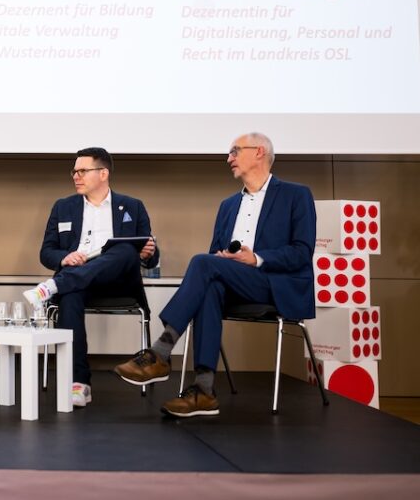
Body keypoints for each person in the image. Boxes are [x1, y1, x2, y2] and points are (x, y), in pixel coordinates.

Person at [114, 132, 316, 418]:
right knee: (208, 286)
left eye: (235, 151)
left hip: (274, 284)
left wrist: (256, 258)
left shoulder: (296, 195)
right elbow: (212, 258)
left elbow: (302, 252)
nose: (228, 158)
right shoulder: (228, 205)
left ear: (259, 152)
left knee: (203, 264)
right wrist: (226, 259)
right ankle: (204, 390)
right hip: (234, 284)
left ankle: (161, 351)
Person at [22, 147, 158, 407]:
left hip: (119, 283)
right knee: (71, 296)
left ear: (103, 173)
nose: (76, 176)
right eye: (74, 171)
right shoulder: (63, 207)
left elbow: (148, 254)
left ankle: (53, 286)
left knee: (124, 249)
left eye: (82, 171)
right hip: (78, 279)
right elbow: (47, 252)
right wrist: (65, 258)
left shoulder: (132, 206)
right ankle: (79, 383)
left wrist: (149, 252)